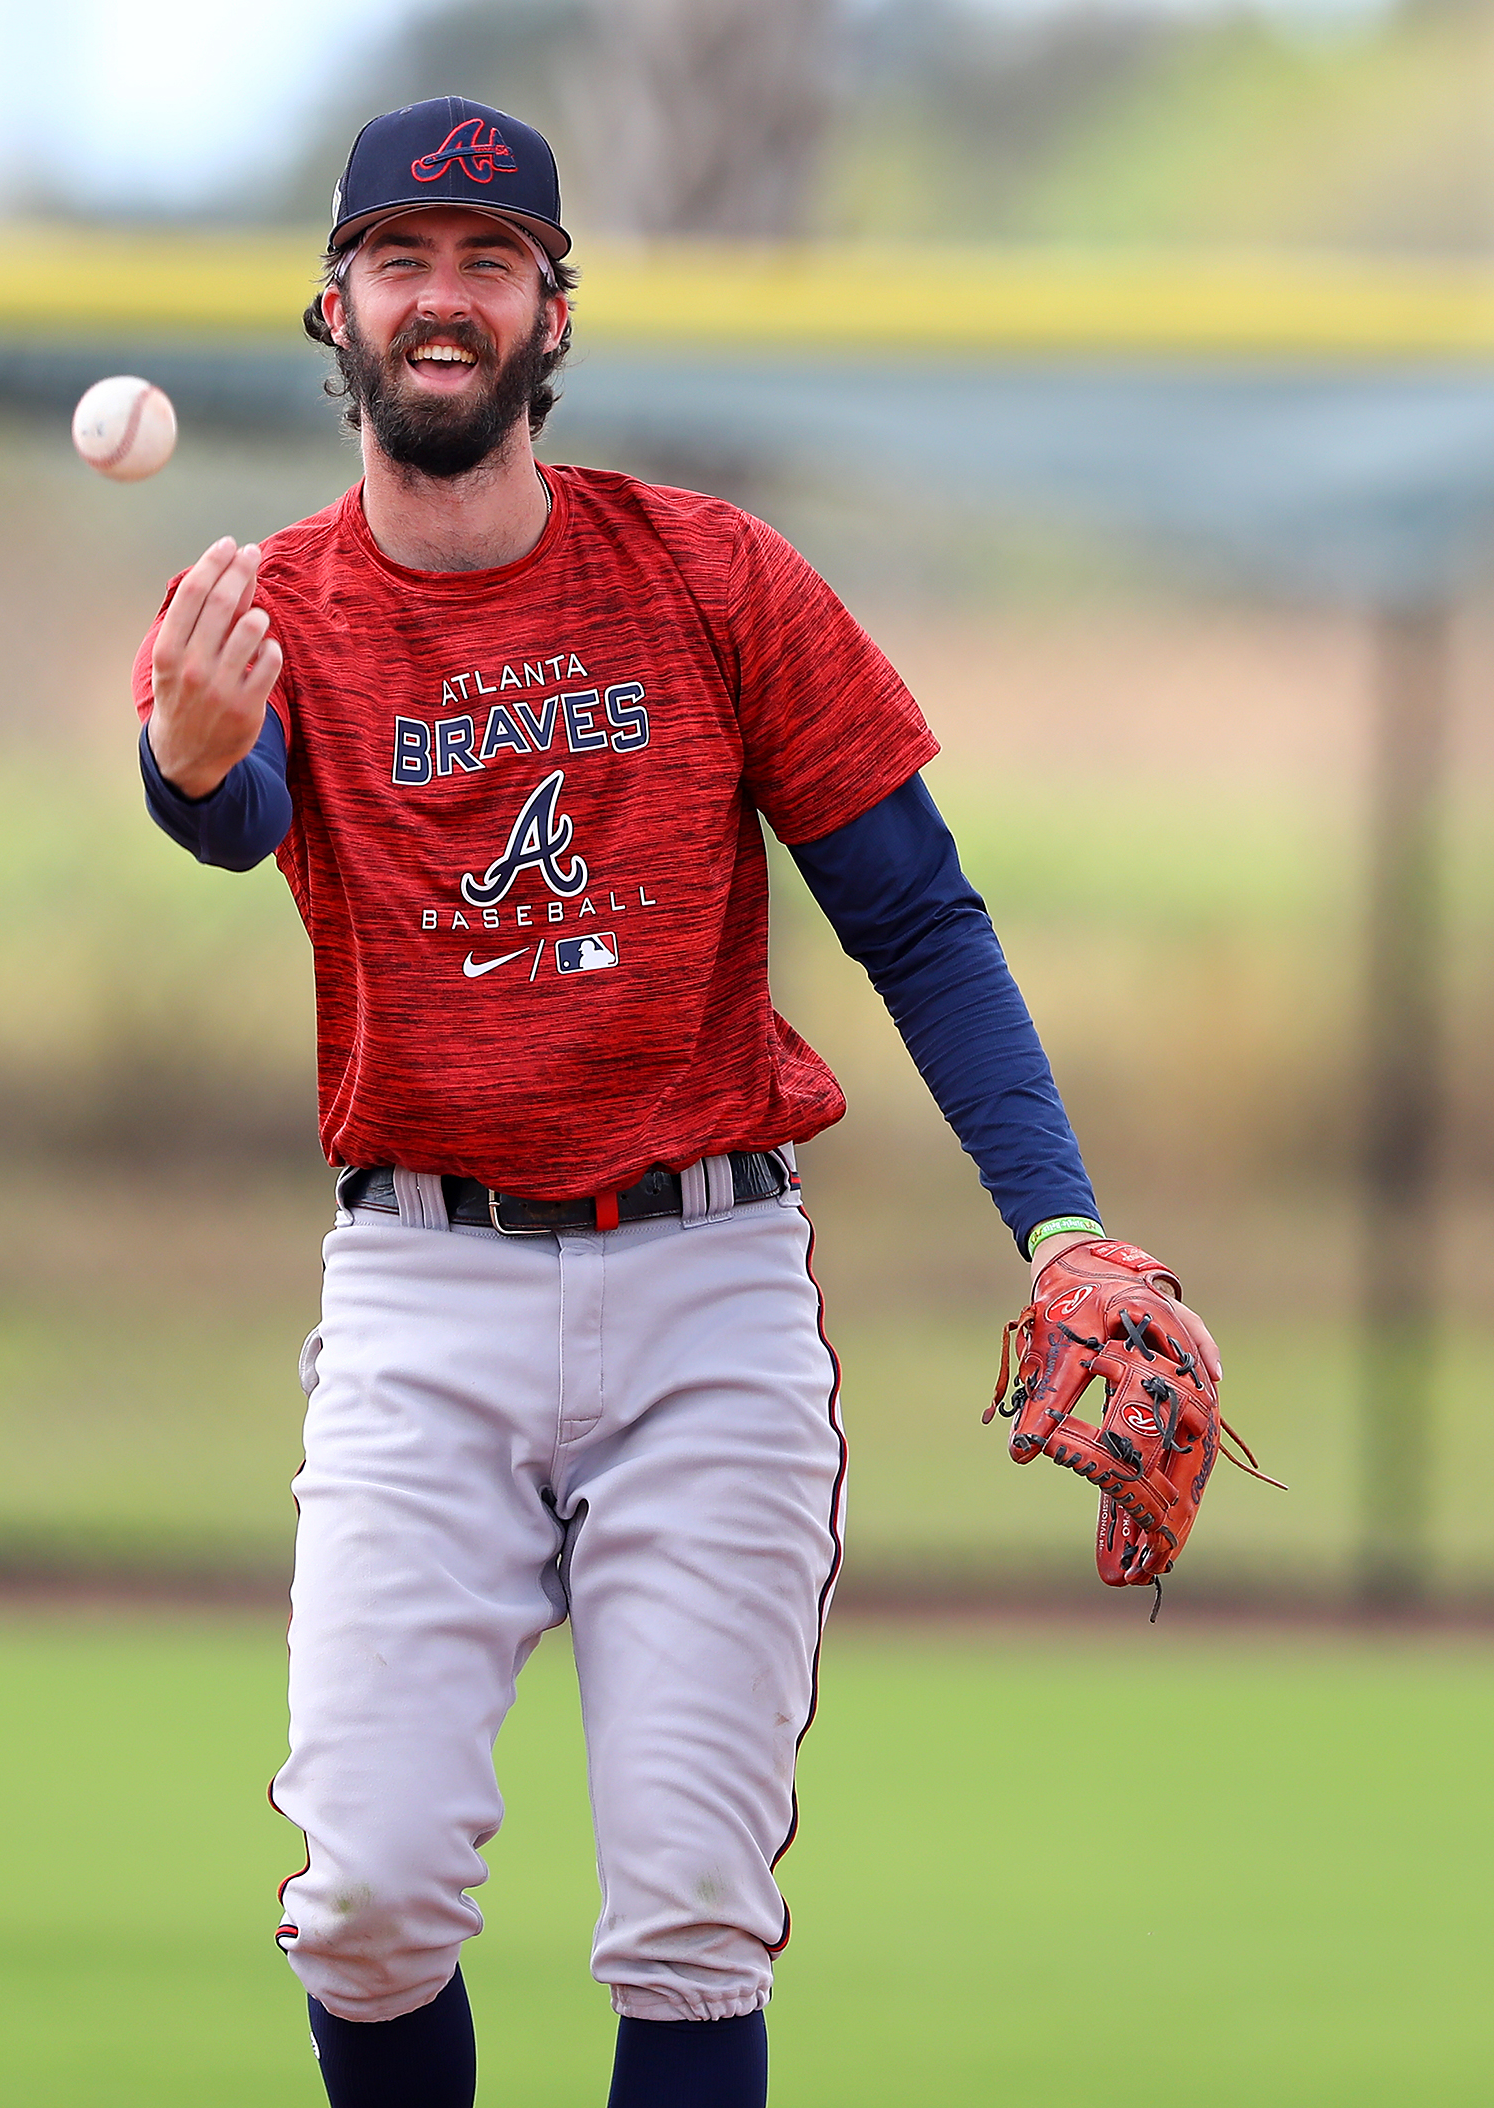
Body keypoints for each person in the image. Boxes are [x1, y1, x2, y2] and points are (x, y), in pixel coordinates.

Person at [133, 98, 1221, 2108]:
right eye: (402, 256)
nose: (441, 295)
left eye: (488, 259)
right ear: (335, 308)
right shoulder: (273, 612)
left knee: (691, 1921)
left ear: (555, 314)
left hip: (704, 1291)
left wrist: (1057, 1219)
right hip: (421, 1294)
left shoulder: (710, 577)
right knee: (366, 1899)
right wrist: (193, 767)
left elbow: (915, 911)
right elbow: (239, 816)